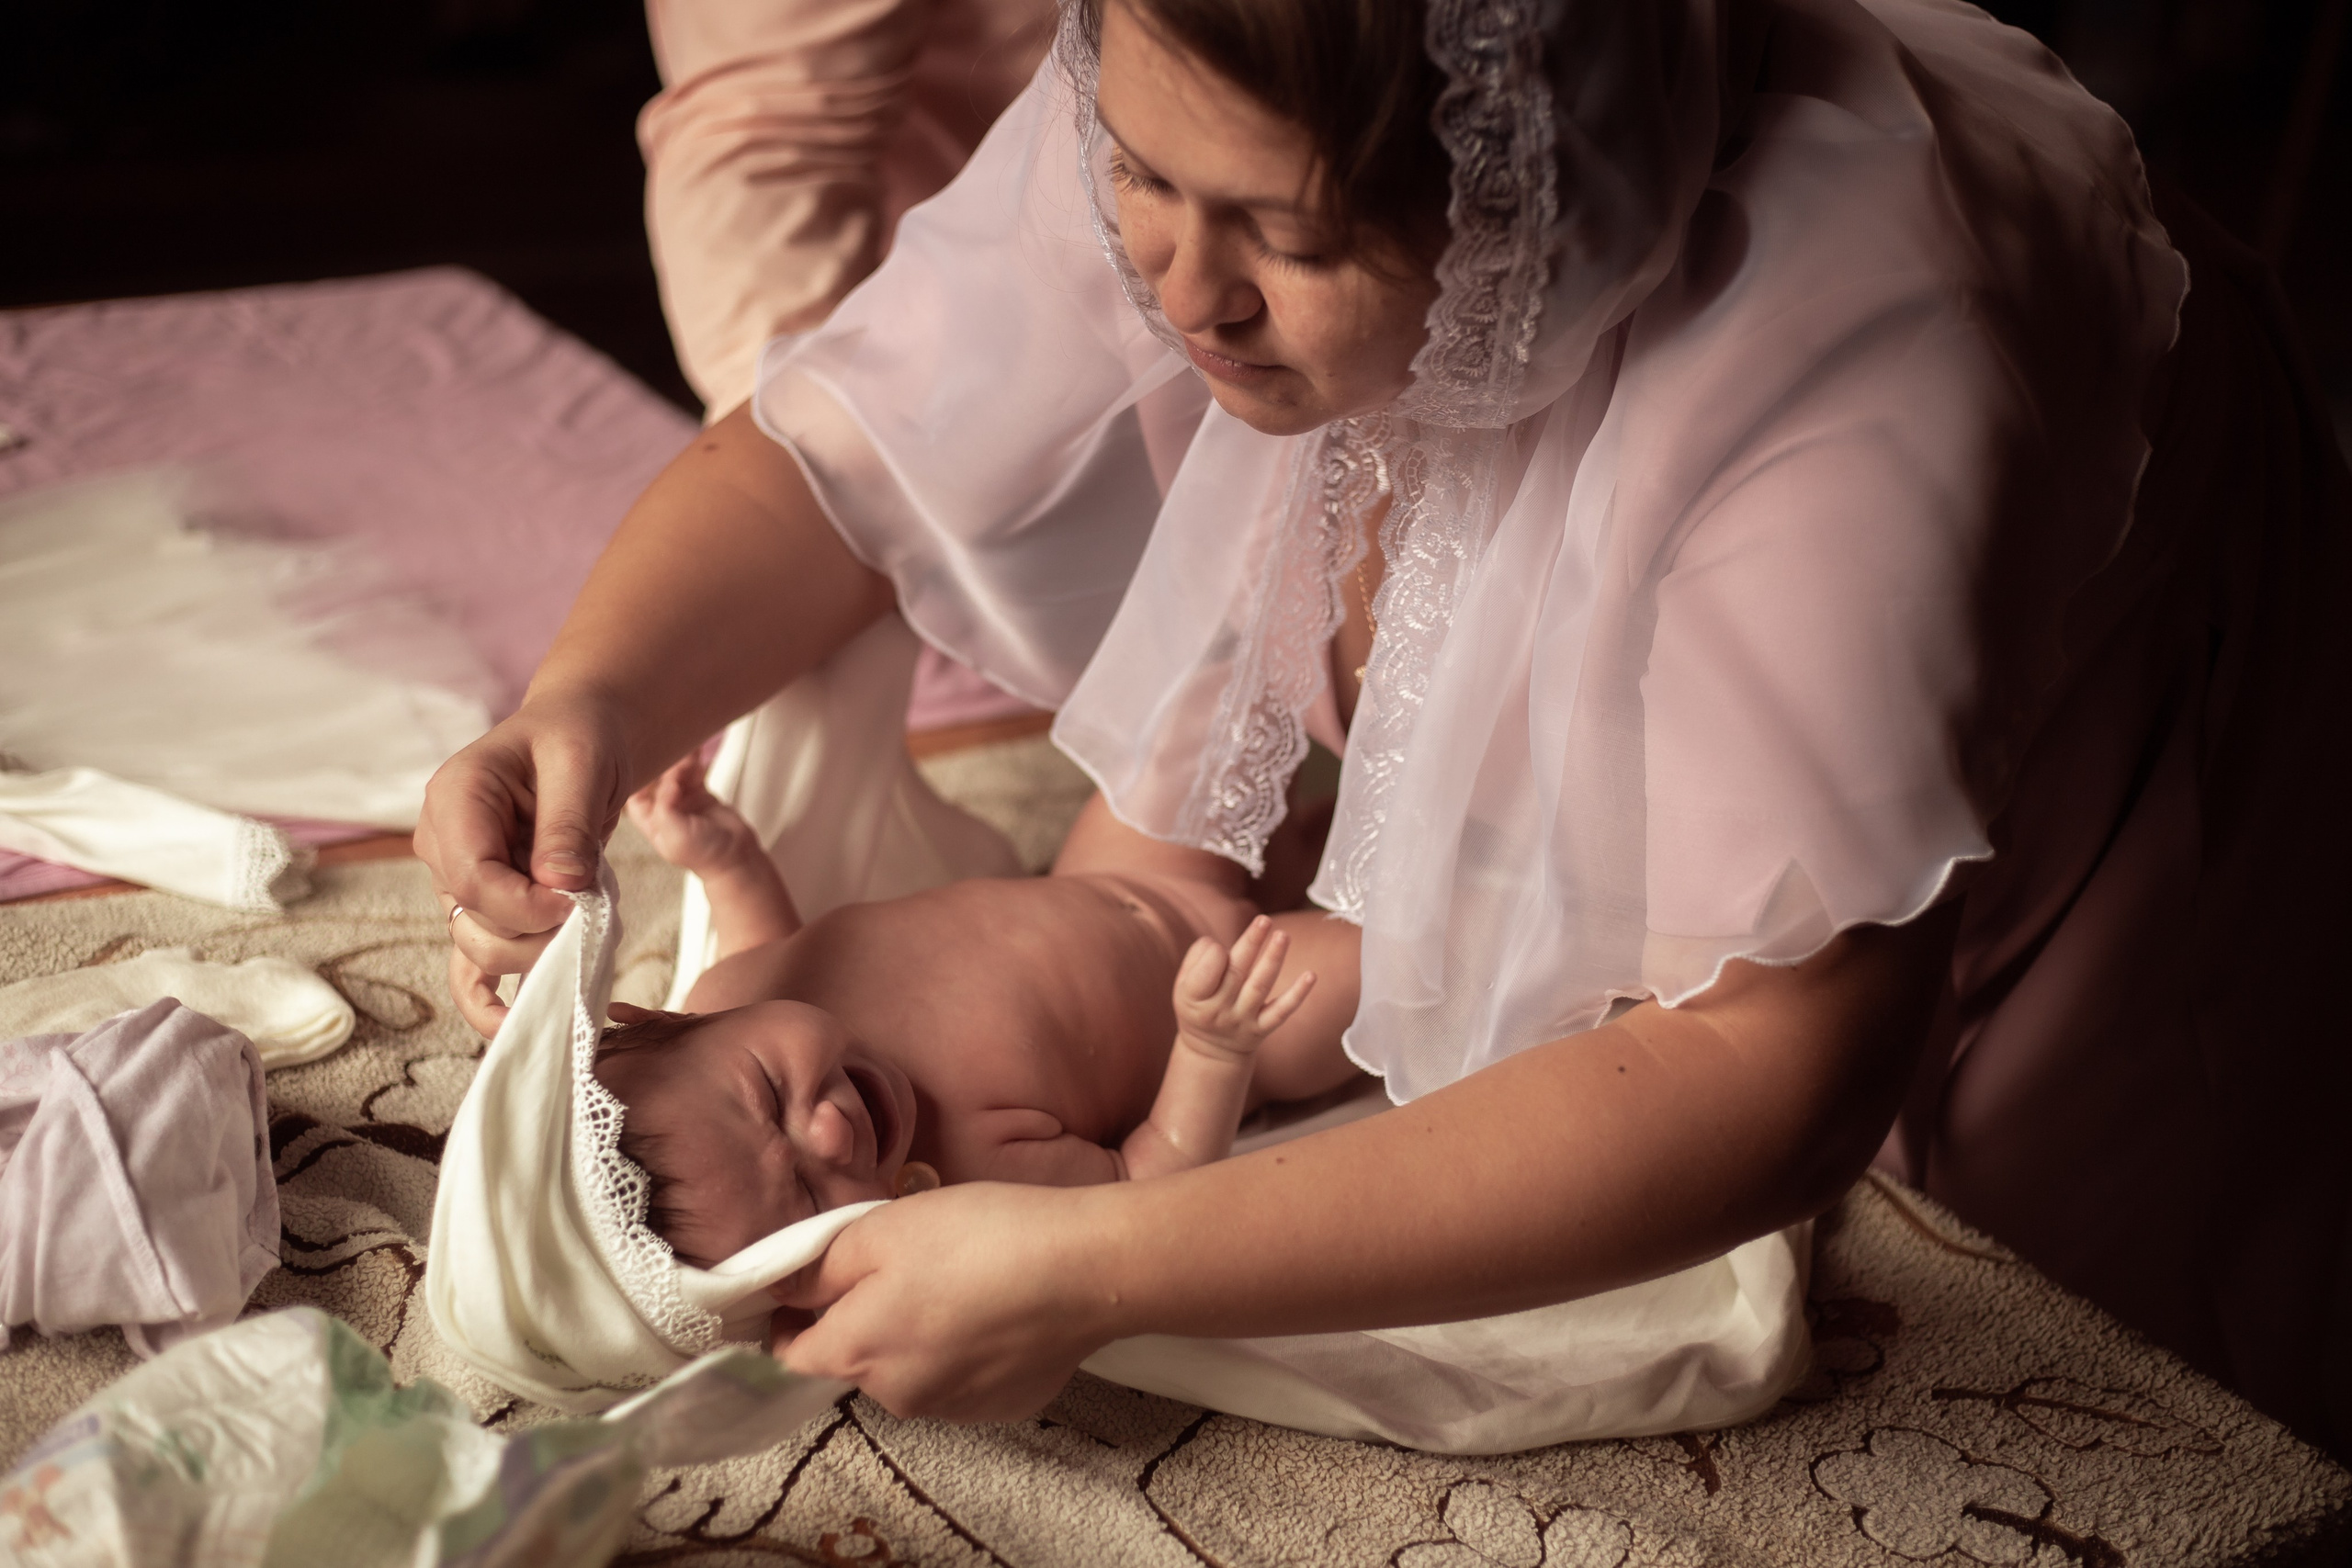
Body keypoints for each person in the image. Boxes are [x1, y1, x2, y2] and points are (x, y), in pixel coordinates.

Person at [424, 0, 2351, 1455]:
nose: (1172, 287)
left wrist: (1094, 1259)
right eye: (1135, 174)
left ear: (1530, 195)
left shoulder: (1865, 373)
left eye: (1281, 231)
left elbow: (1776, 1061)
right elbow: (840, 452)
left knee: (2089, 1340)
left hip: (2117, 797)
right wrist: (586, 700)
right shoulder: (1215, 65)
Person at [591, 754, 1342, 1269]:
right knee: (1417, 966)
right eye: (813, 1200)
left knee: (1223, 671)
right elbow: (1145, 1183)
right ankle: (1330, 867)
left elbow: (765, 936)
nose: (829, 1132)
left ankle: (1314, 832)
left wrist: (727, 861)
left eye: (767, 1091)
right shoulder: (968, 1183)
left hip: (1116, 870)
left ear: (678, 1023)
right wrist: (1214, 1049)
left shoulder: (735, 993)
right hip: (1250, 1007)